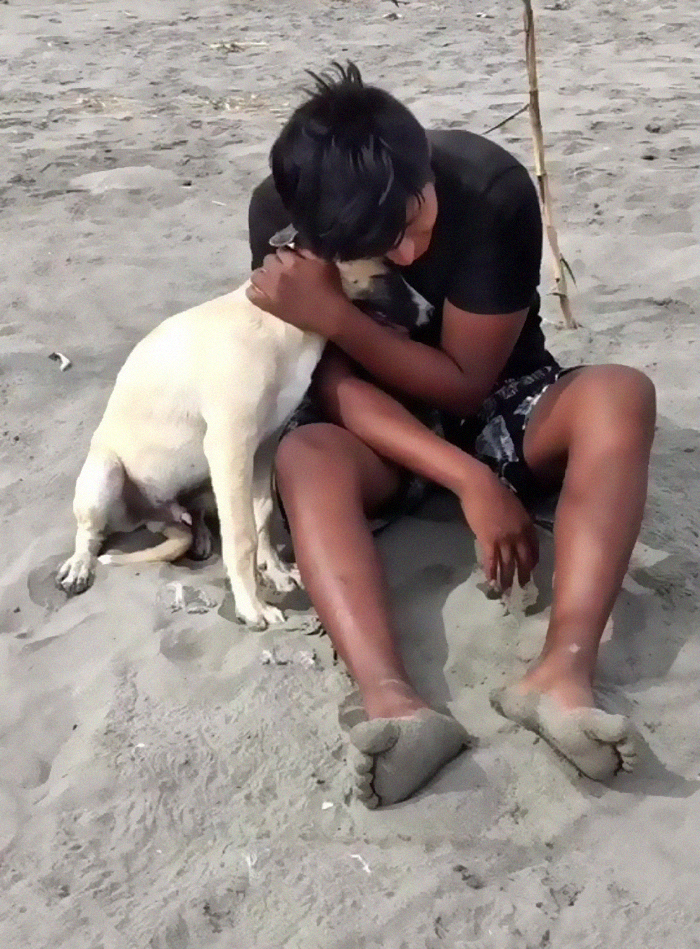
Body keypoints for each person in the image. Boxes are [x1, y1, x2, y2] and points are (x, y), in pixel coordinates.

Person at [246, 63, 655, 808]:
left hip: (499, 398)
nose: (403, 254)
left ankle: (562, 671)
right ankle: (392, 701)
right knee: (305, 454)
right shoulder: (283, 216)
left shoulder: (487, 189)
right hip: (374, 430)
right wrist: (465, 480)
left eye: (414, 227)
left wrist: (333, 313)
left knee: (622, 395)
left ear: (425, 170)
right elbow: (333, 384)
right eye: (376, 247)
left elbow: (468, 378)